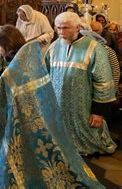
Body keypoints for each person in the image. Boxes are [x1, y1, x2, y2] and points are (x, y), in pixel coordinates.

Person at [0, 25, 103, 188]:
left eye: (0, 47)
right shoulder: (29, 56)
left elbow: (0, 93)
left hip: (24, 122)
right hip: (36, 118)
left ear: (7, 46)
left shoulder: (18, 67)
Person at [46, 12, 117, 155]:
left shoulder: (94, 48)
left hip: (83, 107)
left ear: (77, 28)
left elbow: (104, 83)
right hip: (59, 104)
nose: (60, 32)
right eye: (58, 28)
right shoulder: (53, 47)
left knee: (90, 139)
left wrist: (98, 112)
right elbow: (46, 75)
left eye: (65, 28)